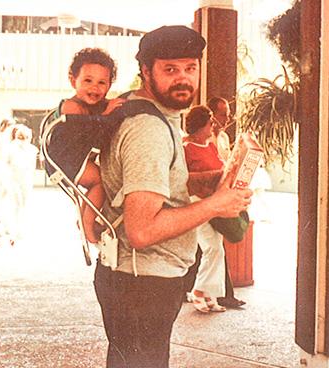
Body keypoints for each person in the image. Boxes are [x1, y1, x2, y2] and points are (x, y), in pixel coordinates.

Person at [94, 25, 253, 368]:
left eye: (190, 68)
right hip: (142, 285)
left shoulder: (150, 114)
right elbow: (142, 230)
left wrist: (209, 180)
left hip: (133, 281)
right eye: (170, 69)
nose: (183, 79)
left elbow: (157, 184)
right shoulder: (149, 129)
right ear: (146, 71)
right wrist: (215, 205)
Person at [59, 47, 124, 243]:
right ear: (73, 80)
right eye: (88, 81)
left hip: (74, 158)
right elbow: (89, 133)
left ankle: (84, 219)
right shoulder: (72, 106)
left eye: (102, 82)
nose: (94, 88)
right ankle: (87, 224)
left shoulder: (89, 105)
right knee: (100, 183)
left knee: (96, 184)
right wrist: (107, 114)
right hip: (65, 159)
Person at [183, 105, 227, 313]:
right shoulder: (186, 148)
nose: (213, 126)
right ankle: (199, 291)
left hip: (212, 200)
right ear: (200, 126)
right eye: (210, 123)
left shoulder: (210, 146)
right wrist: (213, 175)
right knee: (212, 247)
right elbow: (184, 179)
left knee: (217, 246)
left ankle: (210, 293)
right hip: (195, 202)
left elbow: (222, 168)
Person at [207, 96, 246, 308]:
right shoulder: (202, 139)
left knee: (213, 246)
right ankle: (221, 294)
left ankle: (222, 294)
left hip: (221, 193)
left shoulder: (222, 138)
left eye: (229, 114)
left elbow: (227, 163)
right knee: (213, 247)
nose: (227, 118)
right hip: (207, 197)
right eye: (223, 114)